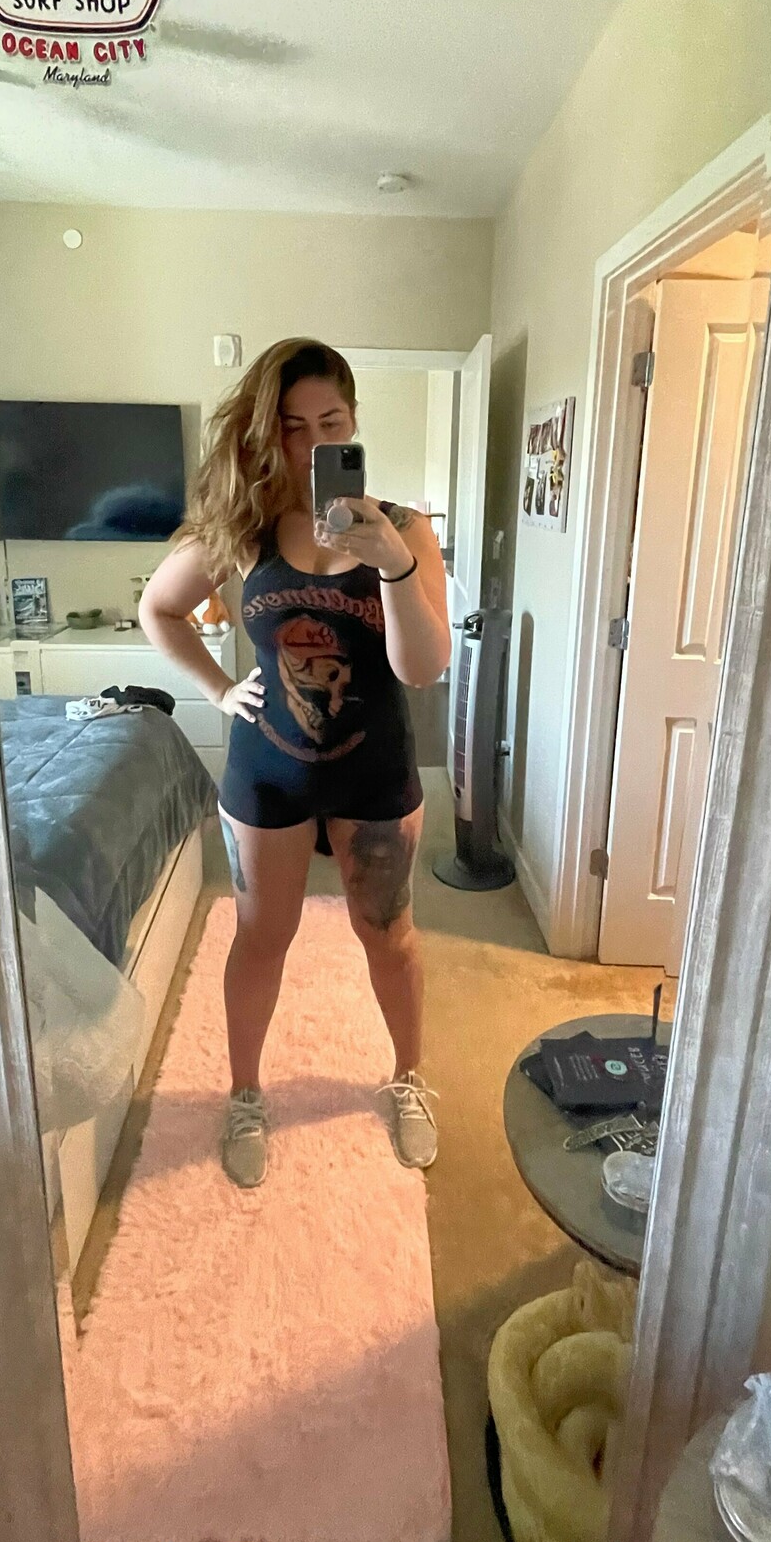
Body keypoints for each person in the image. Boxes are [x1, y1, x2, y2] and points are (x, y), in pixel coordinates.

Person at [139, 339, 452, 1187]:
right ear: (266, 433)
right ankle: (245, 1093)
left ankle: (408, 1078)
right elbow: (159, 608)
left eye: (331, 423)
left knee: (388, 938)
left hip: (375, 771)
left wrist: (394, 565)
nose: (314, 444)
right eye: (293, 426)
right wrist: (216, 689)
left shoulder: (405, 530)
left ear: (354, 422)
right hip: (266, 772)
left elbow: (422, 669)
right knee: (261, 938)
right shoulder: (242, 528)